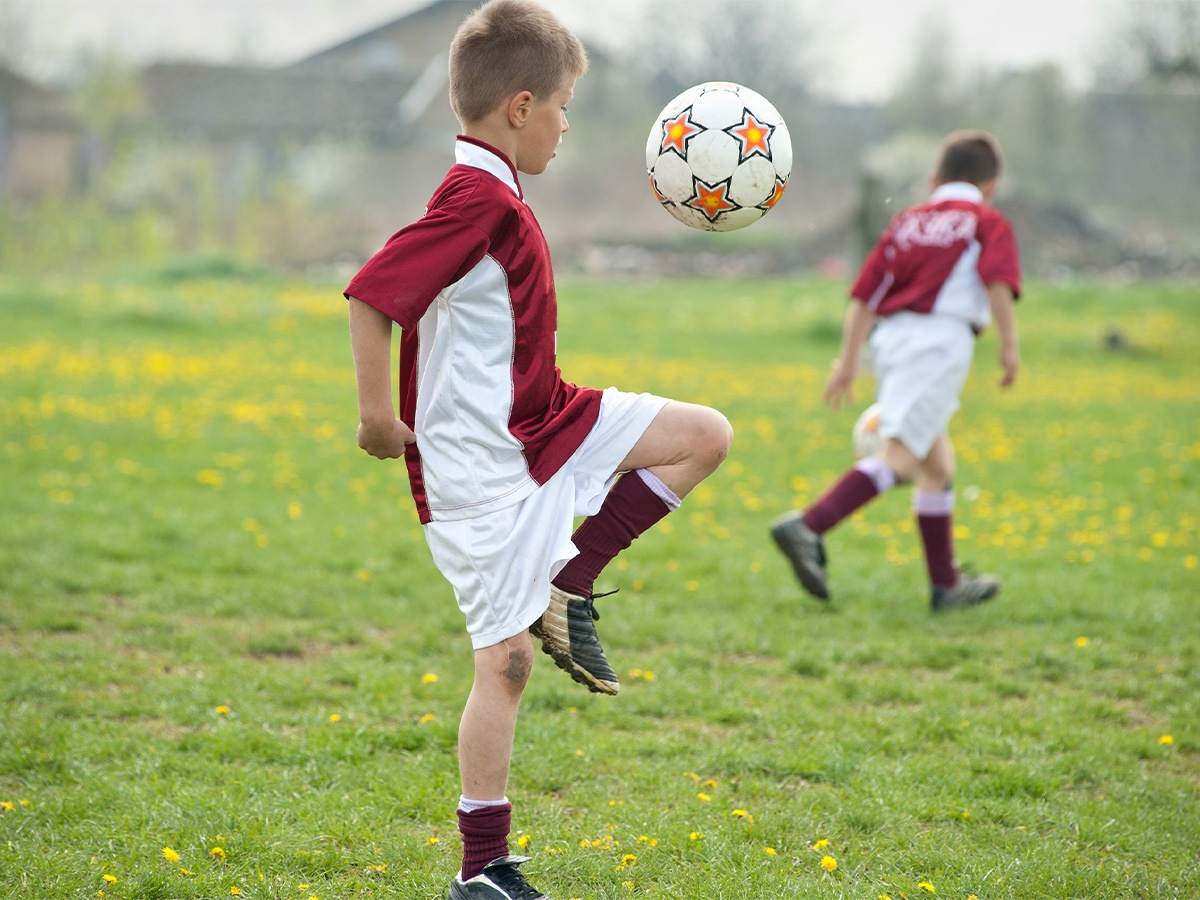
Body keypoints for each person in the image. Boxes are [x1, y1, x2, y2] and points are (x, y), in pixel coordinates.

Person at [343, 2, 733, 897]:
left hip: (550, 423)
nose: (566, 124)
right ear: (520, 108)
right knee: (507, 665)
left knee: (704, 435)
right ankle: (483, 873)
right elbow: (372, 297)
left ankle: (572, 579)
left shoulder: (497, 196)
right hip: (481, 474)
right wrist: (375, 417)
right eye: (562, 106)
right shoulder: (475, 200)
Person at [771, 130, 1021, 613]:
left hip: (892, 343)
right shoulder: (986, 221)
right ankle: (808, 525)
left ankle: (946, 586)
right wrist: (1009, 347)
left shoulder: (906, 222)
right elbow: (998, 284)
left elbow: (864, 295)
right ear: (991, 184)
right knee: (902, 458)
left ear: (933, 179)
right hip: (939, 345)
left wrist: (847, 362)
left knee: (937, 466)